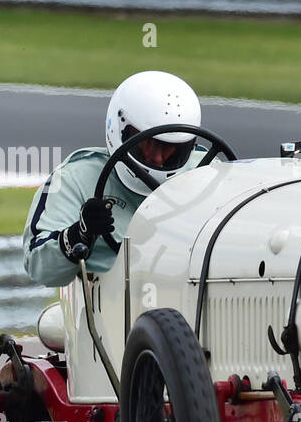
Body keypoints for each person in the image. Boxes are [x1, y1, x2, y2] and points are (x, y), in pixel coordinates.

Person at [23, 71, 202, 287]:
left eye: (170, 148)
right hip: (110, 311)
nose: (156, 158)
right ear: (119, 129)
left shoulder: (208, 171)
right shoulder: (75, 179)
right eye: (146, 143)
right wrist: (80, 234)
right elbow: (39, 269)